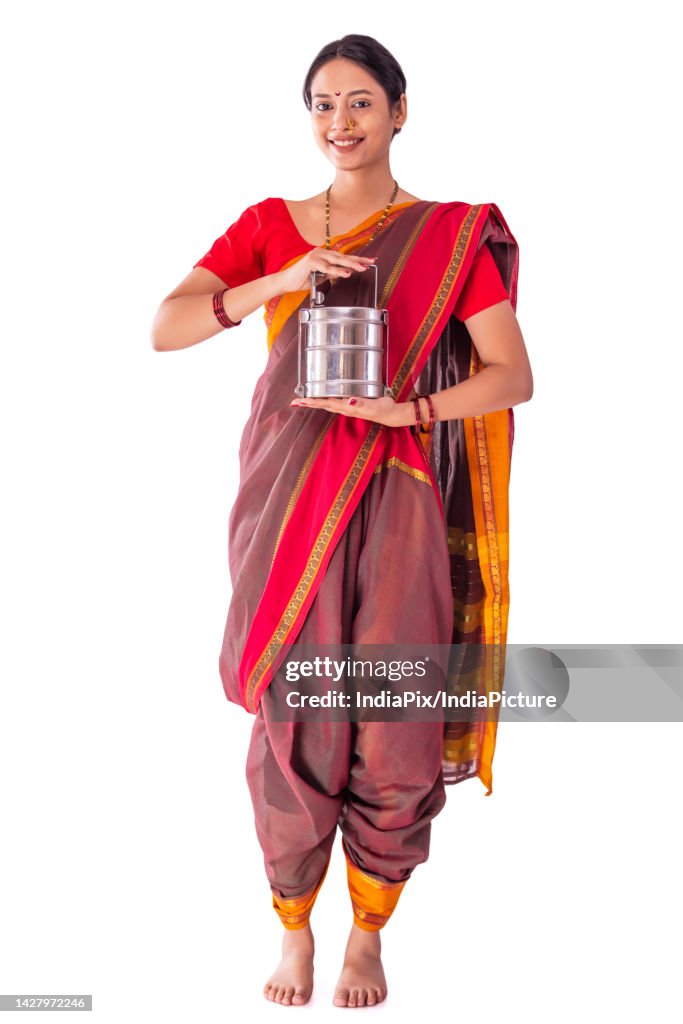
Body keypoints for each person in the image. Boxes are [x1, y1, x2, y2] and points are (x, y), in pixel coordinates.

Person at [151, 33, 532, 1011]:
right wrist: (278, 281)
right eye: (323, 103)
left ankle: (365, 931)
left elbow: (509, 374)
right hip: (286, 500)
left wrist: (405, 412)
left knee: (393, 710)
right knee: (295, 711)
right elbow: (168, 324)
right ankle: (291, 927)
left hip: (397, 493)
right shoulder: (272, 224)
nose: (340, 122)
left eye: (361, 102)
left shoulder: (445, 235)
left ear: (399, 112)